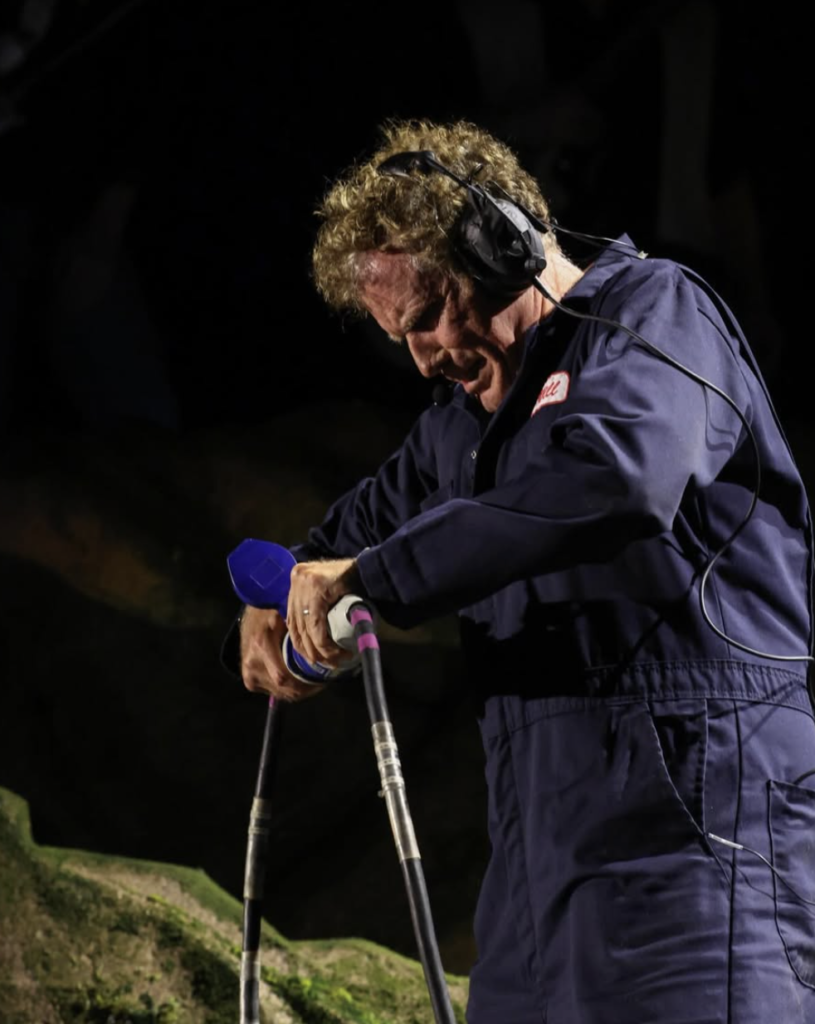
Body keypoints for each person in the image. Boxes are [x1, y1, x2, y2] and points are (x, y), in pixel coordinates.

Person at [234, 119, 815, 1023]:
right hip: (538, 865)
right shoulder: (458, 427)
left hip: (699, 835)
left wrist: (372, 580)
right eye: (398, 335)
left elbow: (618, 477)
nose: (421, 357)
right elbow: (335, 546)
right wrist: (273, 602)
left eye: (428, 316)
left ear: (502, 246)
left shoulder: (654, 315)